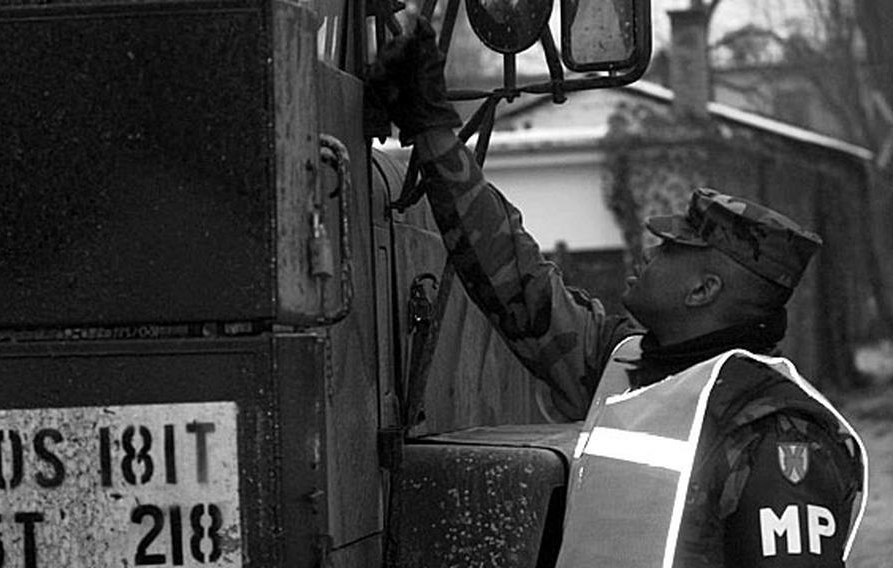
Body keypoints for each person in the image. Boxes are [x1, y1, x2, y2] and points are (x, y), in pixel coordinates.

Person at [368, 19, 868, 568]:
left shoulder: (777, 438)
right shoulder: (626, 363)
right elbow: (512, 275)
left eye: (669, 248)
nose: (645, 255)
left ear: (704, 290)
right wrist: (436, 129)